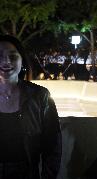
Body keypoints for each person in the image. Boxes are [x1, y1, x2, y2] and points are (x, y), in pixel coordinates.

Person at [0, 35, 61, 179]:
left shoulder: (40, 96)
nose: (6, 61)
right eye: (0, 56)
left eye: (13, 56)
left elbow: (53, 144)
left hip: (26, 173)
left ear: (22, 60)